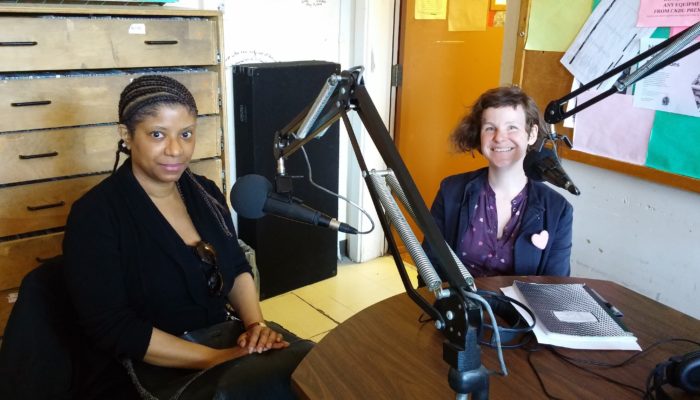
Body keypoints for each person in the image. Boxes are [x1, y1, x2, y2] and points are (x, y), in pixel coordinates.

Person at [63, 75, 313, 399]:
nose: (176, 150)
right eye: (157, 134)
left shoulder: (204, 192)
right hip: (144, 368)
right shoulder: (95, 216)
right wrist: (217, 359)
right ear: (126, 136)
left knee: (311, 371)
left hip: (220, 337)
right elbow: (115, 328)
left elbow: (236, 267)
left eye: (186, 134)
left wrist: (255, 328)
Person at [424, 86, 573, 279]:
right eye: (490, 128)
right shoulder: (450, 191)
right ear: (480, 134)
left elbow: (556, 287)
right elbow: (429, 265)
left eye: (512, 127)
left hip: (521, 310)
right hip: (459, 306)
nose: (499, 138)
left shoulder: (559, 210)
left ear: (532, 134)